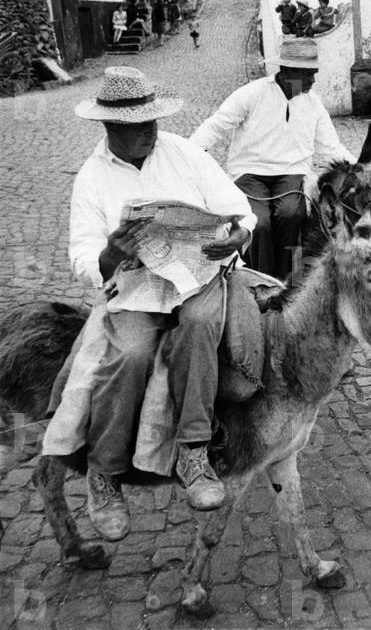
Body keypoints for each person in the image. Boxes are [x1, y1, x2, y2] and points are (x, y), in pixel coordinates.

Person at [68, 66, 257, 541]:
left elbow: (239, 209)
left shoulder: (184, 153)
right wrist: (111, 255)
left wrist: (237, 236)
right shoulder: (92, 178)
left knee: (198, 325)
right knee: (128, 354)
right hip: (136, 288)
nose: (152, 132)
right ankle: (105, 472)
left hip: (198, 277)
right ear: (110, 128)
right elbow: (82, 254)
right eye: (138, 127)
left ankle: (193, 450)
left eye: (154, 122)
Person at [190, 38, 354, 281]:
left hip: (291, 173)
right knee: (258, 222)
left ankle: (285, 281)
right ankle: (259, 280)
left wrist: (359, 169)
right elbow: (216, 126)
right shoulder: (251, 94)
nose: (313, 81)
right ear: (287, 72)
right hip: (249, 173)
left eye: (314, 74)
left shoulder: (313, 104)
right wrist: (190, 152)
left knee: (292, 214)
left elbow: (331, 146)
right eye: (307, 75)